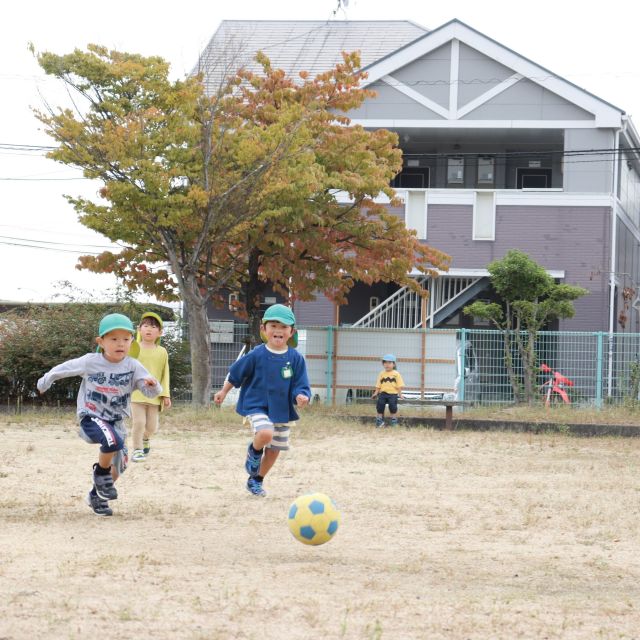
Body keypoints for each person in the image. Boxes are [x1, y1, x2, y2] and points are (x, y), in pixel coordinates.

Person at [37, 313, 162, 517]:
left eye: (125, 339)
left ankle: (96, 495)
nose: (120, 343)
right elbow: (64, 368)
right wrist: (45, 380)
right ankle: (101, 473)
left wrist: (153, 385)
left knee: (121, 463)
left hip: (116, 421)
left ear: (132, 340)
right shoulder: (90, 362)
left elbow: (150, 391)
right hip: (91, 416)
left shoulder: (132, 366)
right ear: (101, 341)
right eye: (113, 339)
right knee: (111, 441)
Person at [213, 303, 311, 497]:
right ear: (263, 329)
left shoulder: (295, 358)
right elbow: (236, 372)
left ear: (291, 332)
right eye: (273, 325)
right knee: (266, 433)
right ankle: (254, 451)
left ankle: (256, 480)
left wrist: (302, 395)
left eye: (283, 326)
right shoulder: (257, 353)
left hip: (282, 409)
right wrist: (224, 391)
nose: (278, 330)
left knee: (274, 449)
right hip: (256, 405)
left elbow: (301, 383)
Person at [129, 311, 171, 462]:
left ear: (160, 332)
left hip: (154, 395)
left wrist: (165, 395)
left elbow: (165, 373)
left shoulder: (162, 352)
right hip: (136, 394)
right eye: (145, 325)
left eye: (153, 327)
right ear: (139, 329)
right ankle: (137, 449)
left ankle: (145, 438)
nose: (149, 329)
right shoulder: (132, 349)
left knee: (152, 427)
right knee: (138, 422)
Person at [371, 353, 404, 427]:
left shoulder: (396, 374)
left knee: (393, 407)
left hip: (393, 394)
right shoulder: (381, 373)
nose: (387, 364)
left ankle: (394, 421)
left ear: (394, 364)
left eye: (389, 362)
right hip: (383, 393)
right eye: (385, 362)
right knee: (380, 405)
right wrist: (376, 393)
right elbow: (378, 384)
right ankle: (379, 421)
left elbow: (399, 385)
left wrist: (400, 394)